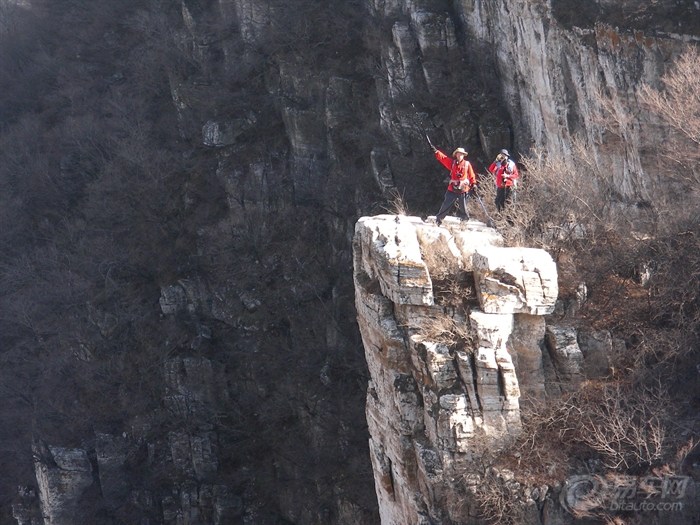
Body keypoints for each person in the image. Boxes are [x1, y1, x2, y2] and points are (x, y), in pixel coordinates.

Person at [430, 146, 477, 226]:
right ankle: (439, 220)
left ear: (463, 155)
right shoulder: (452, 163)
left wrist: (474, 184)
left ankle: (464, 221)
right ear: (456, 155)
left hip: (463, 189)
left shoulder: (467, 164)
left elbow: (471, 175)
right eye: (458, 154)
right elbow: (443, 159)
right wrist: (436, 152)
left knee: (463, 207)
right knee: (446, 205)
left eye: (461, 154)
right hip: (452, 188)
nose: (459, 155)